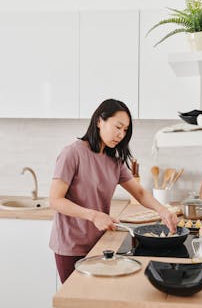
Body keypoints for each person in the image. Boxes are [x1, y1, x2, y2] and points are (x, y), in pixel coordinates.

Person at [49, 98, 178, 283]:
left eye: (125, 130)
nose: (121, 134)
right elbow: (55, 200)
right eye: (118, 127)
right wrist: (94, 216)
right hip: (71, 246)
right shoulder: (72, 153)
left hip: (99, 244)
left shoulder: (114, 161)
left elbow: (139, 193)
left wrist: (163, 210)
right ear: (99, 121)